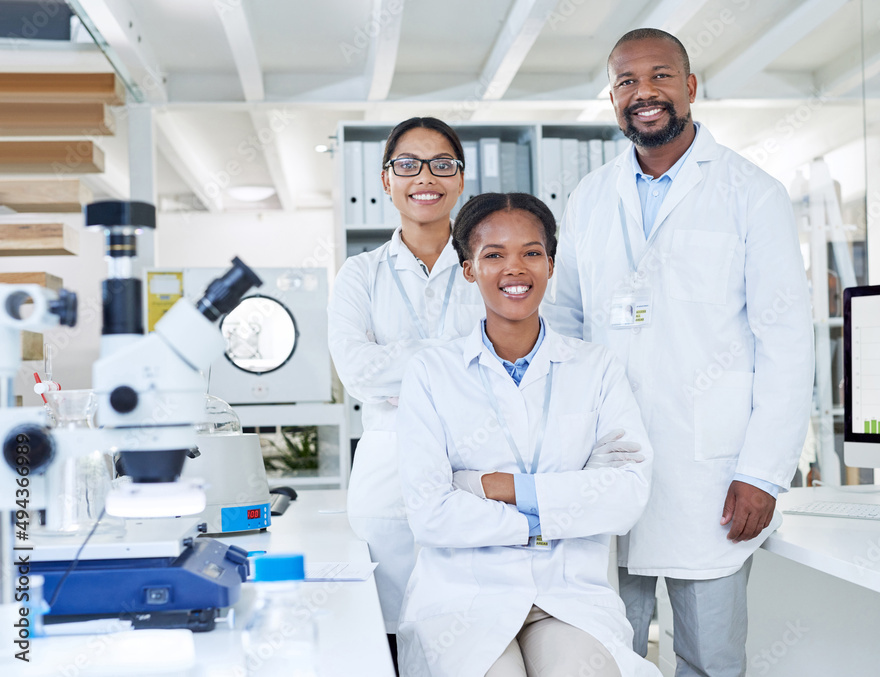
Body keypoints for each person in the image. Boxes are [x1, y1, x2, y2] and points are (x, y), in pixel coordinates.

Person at [544, 29, 815, 677]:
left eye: (660, 76)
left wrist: (764, 470)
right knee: (606, 655)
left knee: (711, 659)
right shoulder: (589, 198)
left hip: (712, 477)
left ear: (690, 88)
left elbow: (786, 341)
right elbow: (565, 324)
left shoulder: (753, 193)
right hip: (609, 465)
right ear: (613, 98)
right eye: (626, 82)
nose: (644, 93)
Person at [395, 193, 661, 677]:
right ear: (469, 269)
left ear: (551, 265)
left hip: (567, 594)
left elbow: (625, 495)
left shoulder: (594, 366)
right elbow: (430, 515)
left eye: (531, 253)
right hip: (465, 597)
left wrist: (495, 488)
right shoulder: (432, 372)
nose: (515, 268)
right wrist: (550, 517)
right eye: (494, 254)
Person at [328, 117, 485, 659]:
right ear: (385, 179)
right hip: (386, 482)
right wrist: (457, 354)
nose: (426, 178)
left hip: (472, 470)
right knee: (389, 643)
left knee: (468, 640)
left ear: (461, 180)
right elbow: (357, 373)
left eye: (443, 165)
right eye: (408, 165)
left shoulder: (486, 268)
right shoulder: (360, 274)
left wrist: (399, 367)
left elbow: (509, 359)